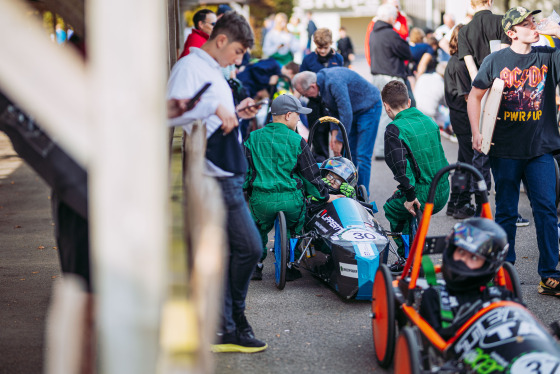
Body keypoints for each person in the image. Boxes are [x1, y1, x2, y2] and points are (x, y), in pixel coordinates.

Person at [167, 11, 267, 352]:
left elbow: (211, 117)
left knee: (234, 251)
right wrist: (213, 104)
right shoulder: (189, 67)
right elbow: (169, 112)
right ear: (221, 40)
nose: (239, 60)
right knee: (251, 247)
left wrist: (237, 113)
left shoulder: (211, 69)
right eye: (238, 51)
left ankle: (226, 327)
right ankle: (234, 322)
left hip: (226, 167)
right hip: (217, 173)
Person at [468, 7, 560, 297]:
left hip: (541, 149)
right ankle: (504, 272)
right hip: (505, 150)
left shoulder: (547, 57)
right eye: (526, 23)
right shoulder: (495, 61)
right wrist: (476, 131)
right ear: (511, 32)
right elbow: (474, 96)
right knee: (506, 212)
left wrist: (557, 32)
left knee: (546, 210)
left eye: (534, 21)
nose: (533, 26)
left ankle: (550, 274)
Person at [243, 95, 341, 281]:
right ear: (288, 115)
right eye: (298, 115)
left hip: (261, 200)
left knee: (257, 228)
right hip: (291, 202)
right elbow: (311, 176)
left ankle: (256, 265)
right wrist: (325, 196)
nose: (299, 119)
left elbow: (245, 173)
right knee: (294, 228)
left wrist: (247, 189)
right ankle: (288, 263)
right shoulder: (297, 141)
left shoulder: (253, 138)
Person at [381, 80, 449, 272]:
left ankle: (407, 258)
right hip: (443, 188)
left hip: (423, 194)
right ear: (409, 101)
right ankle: (415, 248)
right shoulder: (429, 120)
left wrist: (410, 195)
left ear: (386, 106)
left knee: (393, 208)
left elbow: (401, 169)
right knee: (403, 194)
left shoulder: (394, 129)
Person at [292, 68, 383, 196]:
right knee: (349, 155)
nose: (305, 97)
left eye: (304, 94)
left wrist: (340, 140)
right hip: (352, 111)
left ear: (312, 86)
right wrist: (335, 134)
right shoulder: (322, 84)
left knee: (362, 155)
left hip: (368, 108)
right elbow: (334, 110)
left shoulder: (334, 82)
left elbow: (345, 113)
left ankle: (362, 195)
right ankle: (348, 190)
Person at [419, 218, 513, 339]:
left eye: (474, 258)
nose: (463, 260)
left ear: (487, 265)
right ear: (451, 250)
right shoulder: (433, 297)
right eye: (461, 251)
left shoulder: (503, 296)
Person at [369, 3, 413, 161]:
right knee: (394, 113)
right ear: (389, 17)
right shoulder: (390, 34)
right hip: (391, 77)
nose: (395, 20)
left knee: (383, 113)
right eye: (394, 17)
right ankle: (385, 149)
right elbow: (407, 51)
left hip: (378, 76)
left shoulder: (373, 33)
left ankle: (382, 148)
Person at [443, 24, 477, 220]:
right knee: (468, 161)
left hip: (459, 116)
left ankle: (455, 202)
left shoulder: (455, 61)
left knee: (463, 160)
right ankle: (462, 203)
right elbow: (468, 97)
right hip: (464, 117)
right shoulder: (460, 64)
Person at [300, 28, 344, 162]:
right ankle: (320, 169)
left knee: (337, 137)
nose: (323, 51)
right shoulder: (308, 60)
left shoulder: (338, 58)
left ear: (331, 43)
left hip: (333, 103)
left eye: (325, 47)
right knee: (319, 141)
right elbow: (301, 81)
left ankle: (337, 170)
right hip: (315, 103)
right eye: (319, 48)